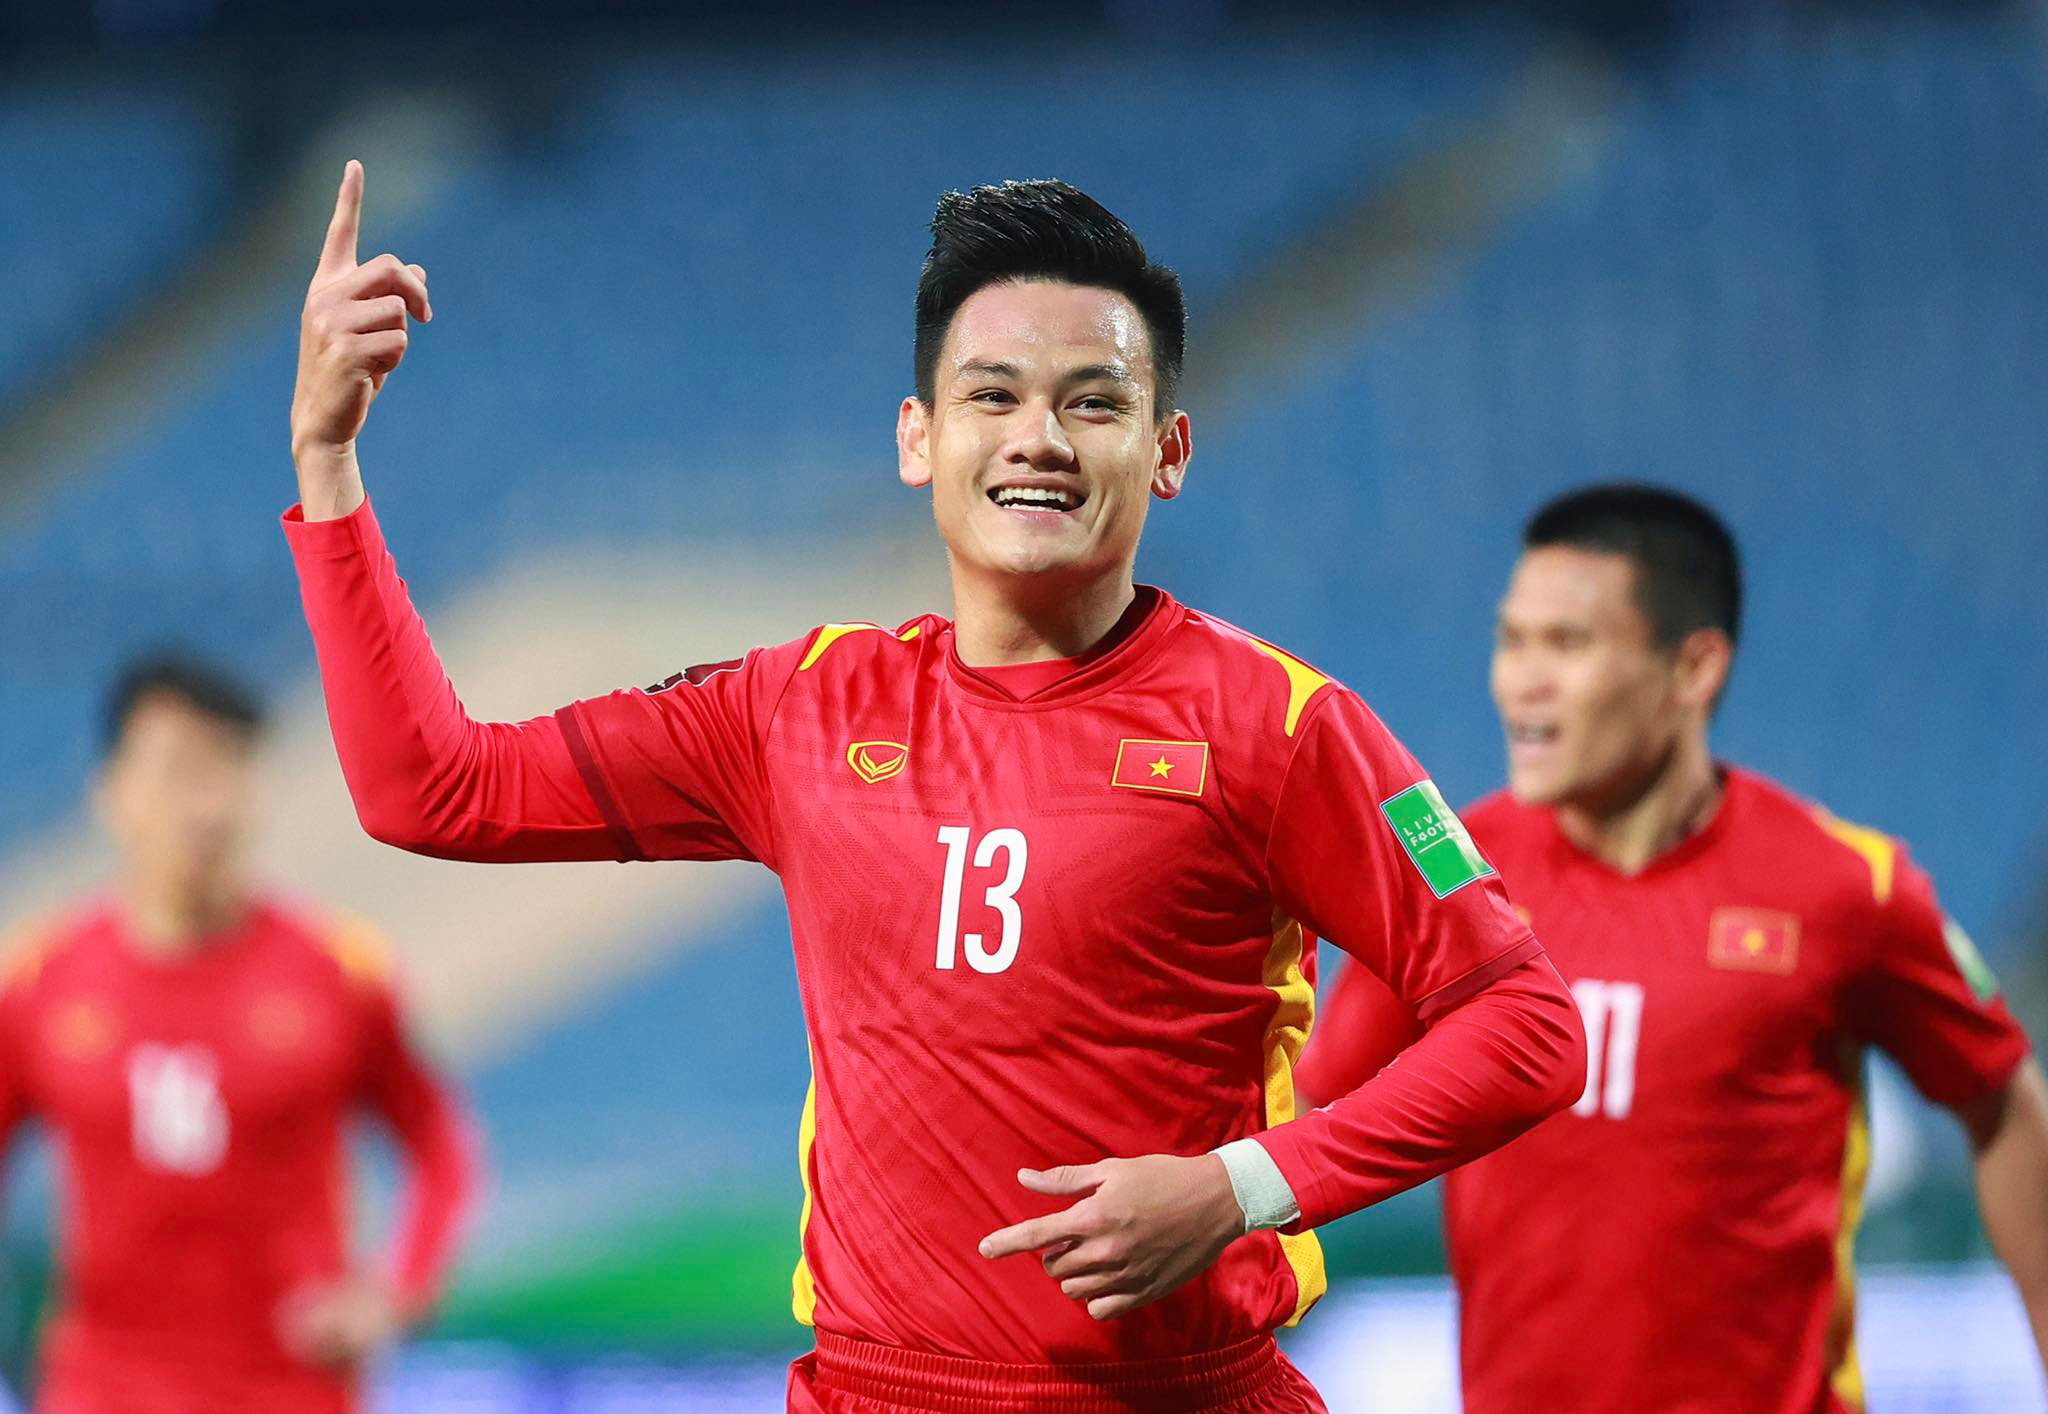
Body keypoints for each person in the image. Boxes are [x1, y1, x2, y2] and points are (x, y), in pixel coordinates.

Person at [283, 161, 1584, 1412]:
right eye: (992, 395)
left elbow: (1525, 1023)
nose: (1038, 438)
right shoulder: (797, 709)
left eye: (1093, 403)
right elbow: (430, 788)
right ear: (918, 437)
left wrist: (1239, 1186)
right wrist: (329, 466)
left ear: (1168, 447)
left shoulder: (1281, 726)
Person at [1297, 484, 2048, 1413]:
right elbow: (1307, 1120)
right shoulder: (1451, 874)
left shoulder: (1849, 888)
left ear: (1693, 668)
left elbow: (2002, 1105)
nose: (1519, 682)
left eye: (1567, 644)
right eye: (1511, 641)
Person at [0, 655, 478, 1414]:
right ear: (112, 794)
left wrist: (398, 1290)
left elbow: (440, 1146)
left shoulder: (337, 973)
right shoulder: (42, 984)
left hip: (289, 1387)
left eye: (227, 769)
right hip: (104, 1387)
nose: (206, 805)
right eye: (178, 771)